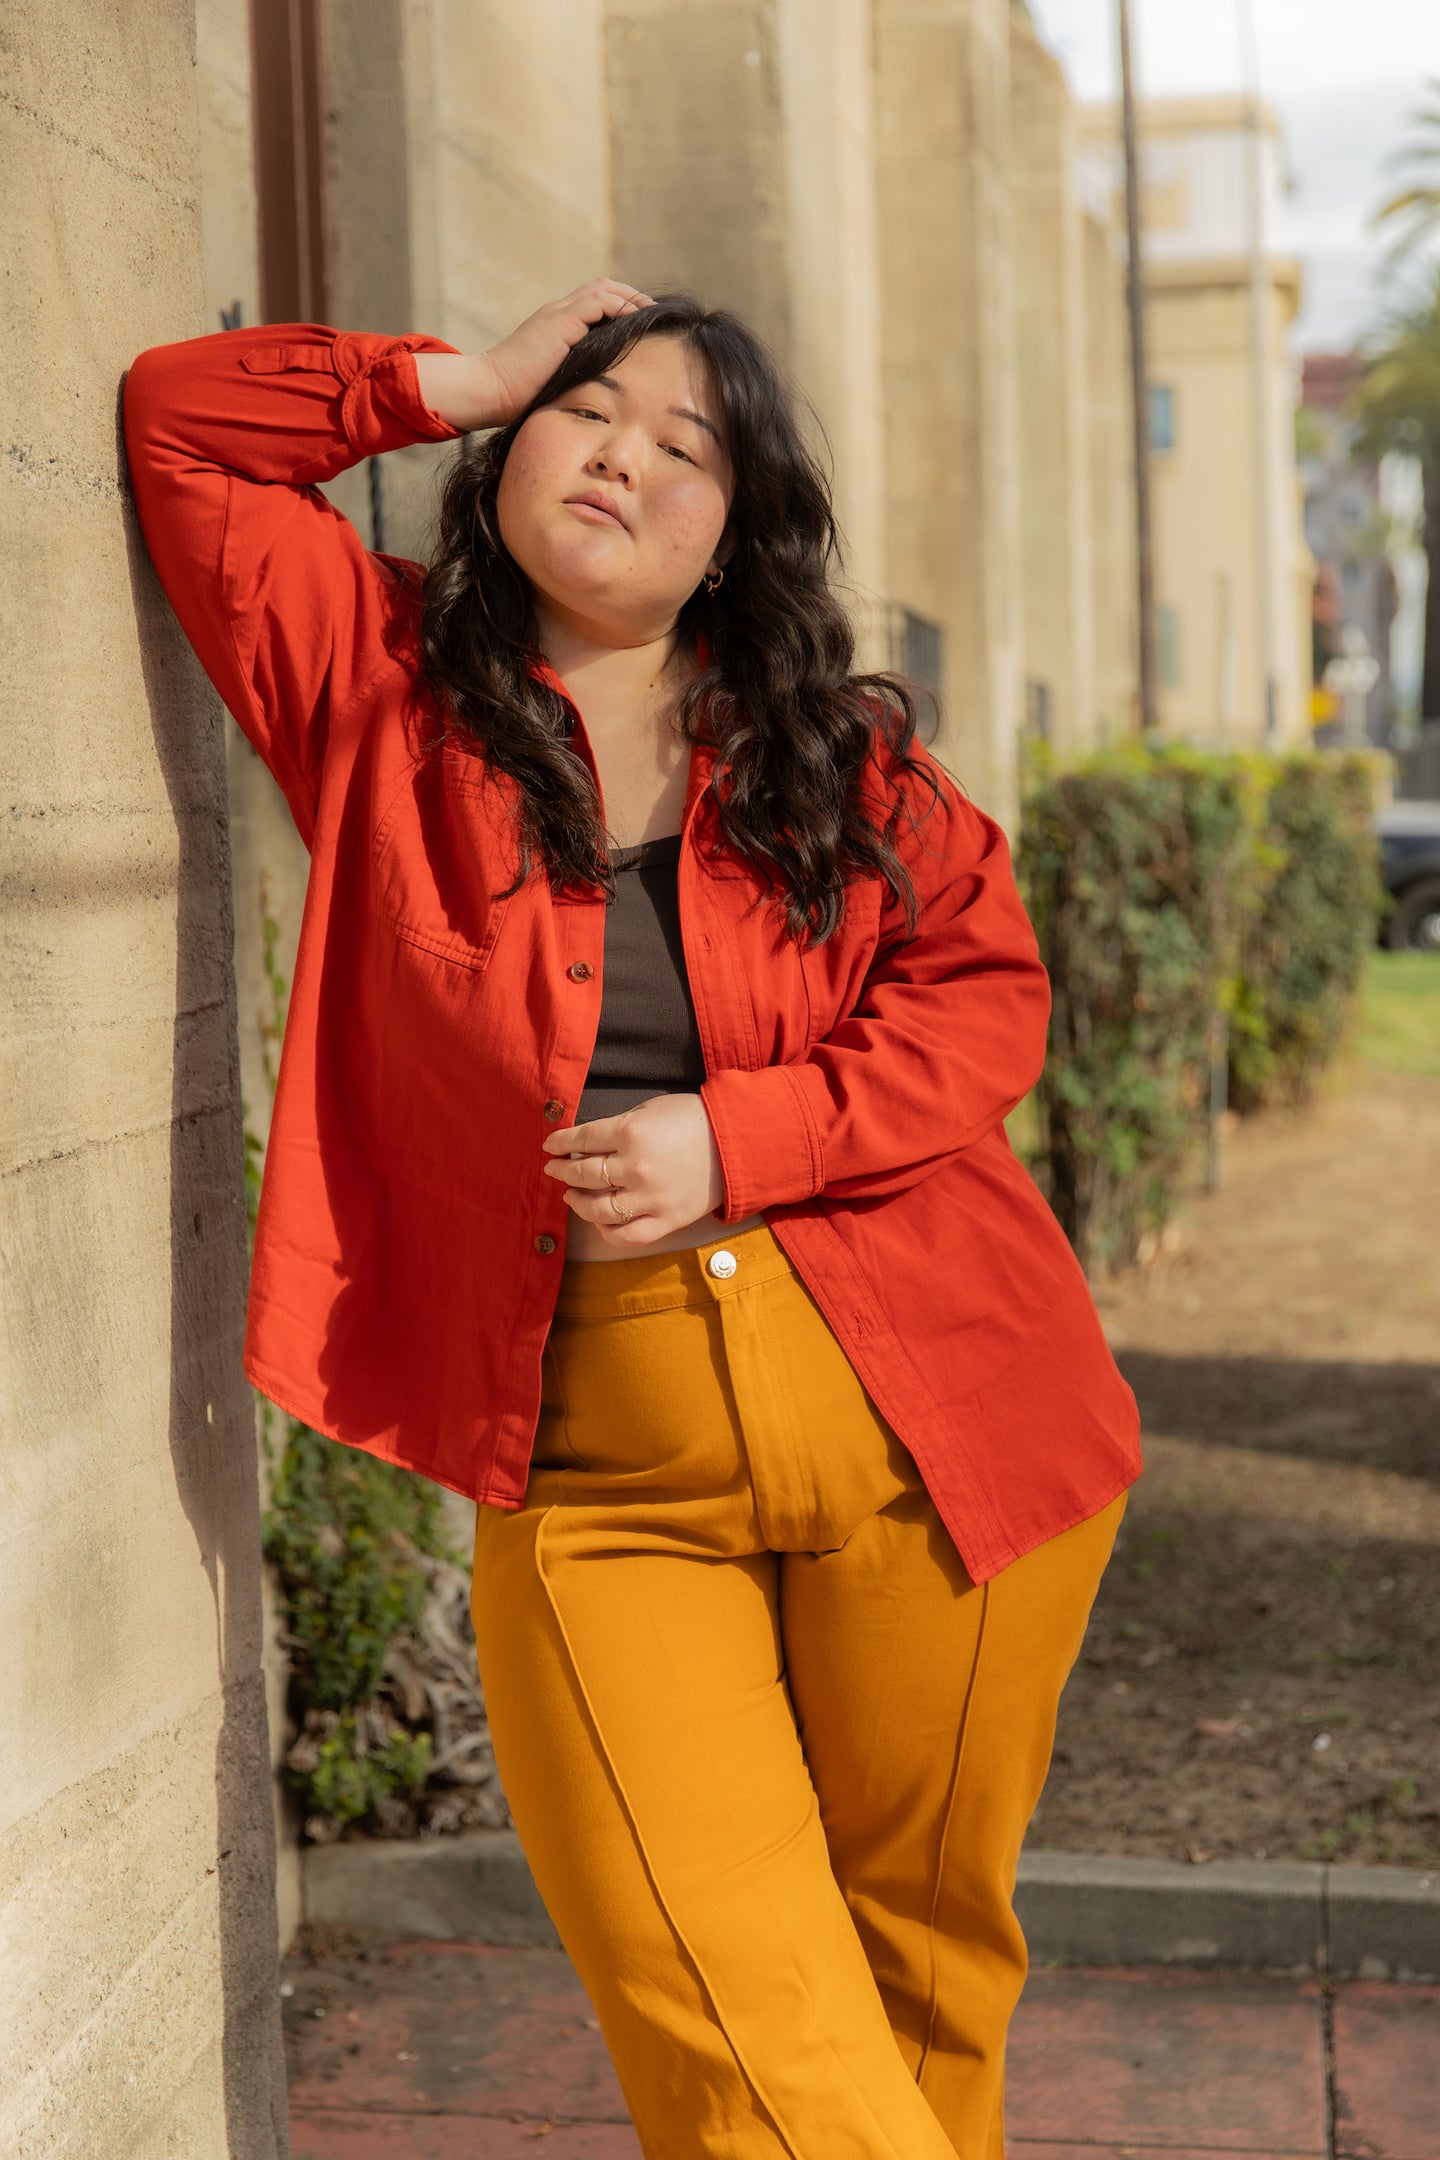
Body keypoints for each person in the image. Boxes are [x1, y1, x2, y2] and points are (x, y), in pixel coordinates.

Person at [123, 280, 1142, 2158]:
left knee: (921, 1975)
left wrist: (739, 1141)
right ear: (516, 444)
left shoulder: (835, 757)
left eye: (688, 449)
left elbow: (986, 998)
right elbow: (181, 421)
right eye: (588, 410)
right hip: (603, 1473)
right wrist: (459, 375)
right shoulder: (373, 685)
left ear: (734, 538)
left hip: (953, 1425)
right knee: (727, 2012)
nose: (622, 454)